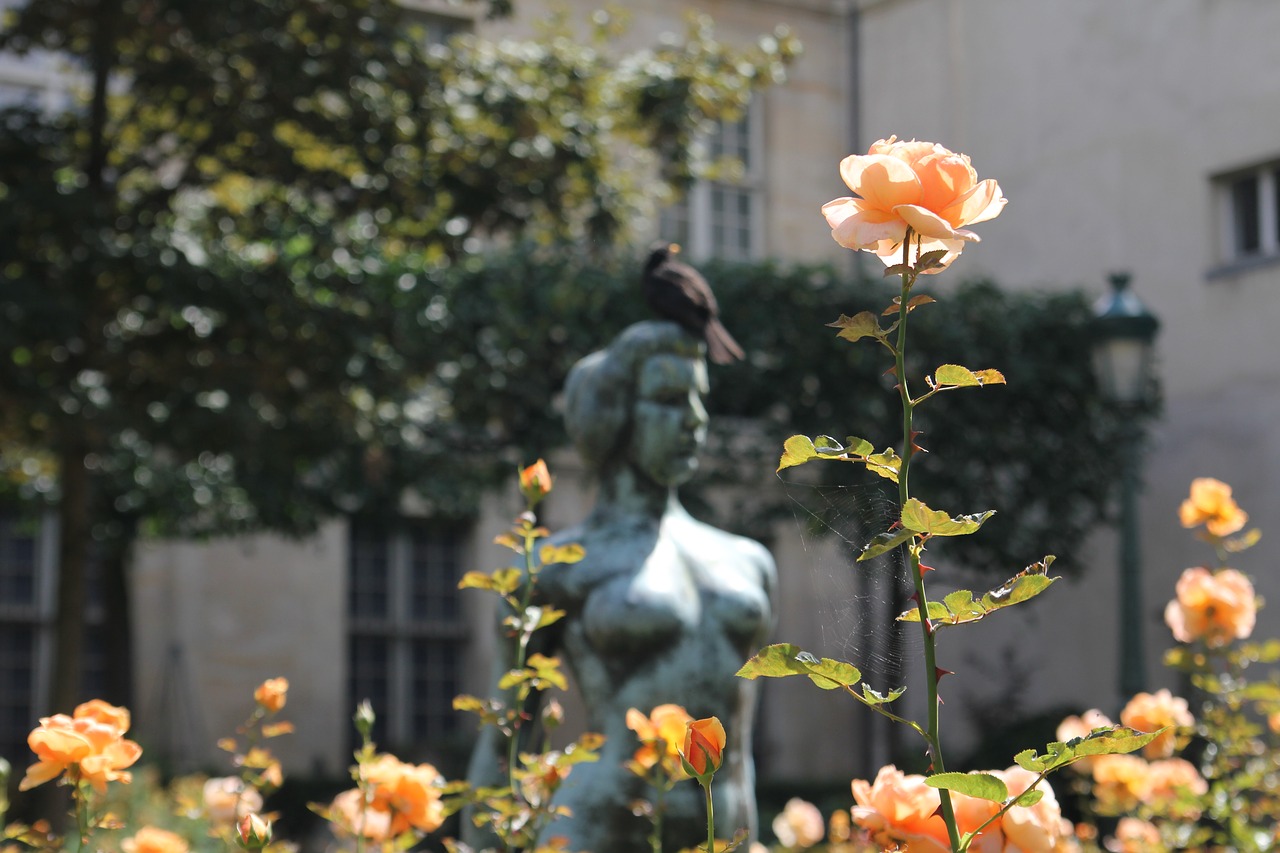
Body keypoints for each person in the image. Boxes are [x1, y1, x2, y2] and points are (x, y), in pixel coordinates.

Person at [463, 320, 776, 852]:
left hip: (715, 834)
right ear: (615, 415)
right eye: (671, 400)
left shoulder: (747, 562)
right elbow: (503, 744)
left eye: (699, 399)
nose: (696, 420)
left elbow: (741, 752)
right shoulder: (555, 568)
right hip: (596, 831)